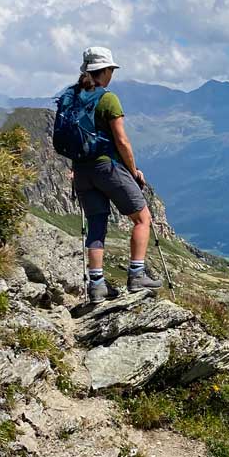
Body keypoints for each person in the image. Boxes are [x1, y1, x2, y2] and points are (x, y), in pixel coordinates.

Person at [69, 46, 162, 302]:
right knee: (142, 218)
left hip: (81, 171)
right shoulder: (107, 99)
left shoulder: (73, 98)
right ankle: (136, 275)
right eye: (111, 70)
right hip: (106, 167)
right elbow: (122, 141)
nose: (112, 74)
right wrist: (133, 172)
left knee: (96, 225)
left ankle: (96, 286)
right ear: (105, 71)